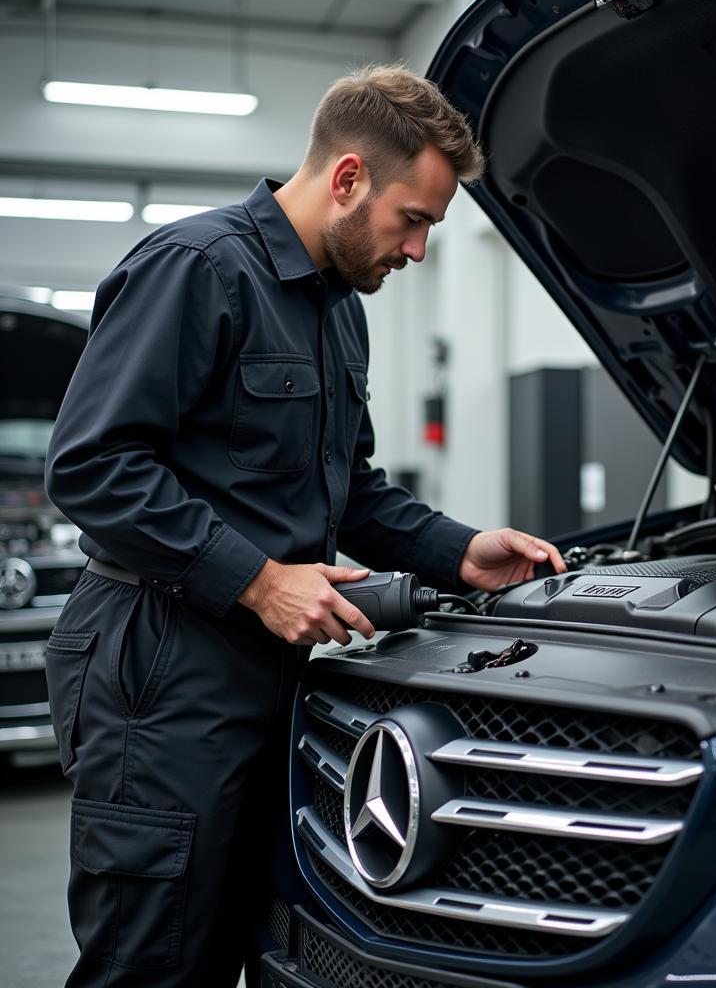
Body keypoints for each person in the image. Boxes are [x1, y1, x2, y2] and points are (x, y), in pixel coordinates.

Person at [43, 64, 567, 988]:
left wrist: (460, 550)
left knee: (260, 942)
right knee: (155, 960)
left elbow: (349, 493)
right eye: (416, 220)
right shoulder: (197, 269)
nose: (416, 250)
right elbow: (90, 466)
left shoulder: (336, 313)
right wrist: (254, 577)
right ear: (350, 177)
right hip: (158, 669)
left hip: (271, 673)